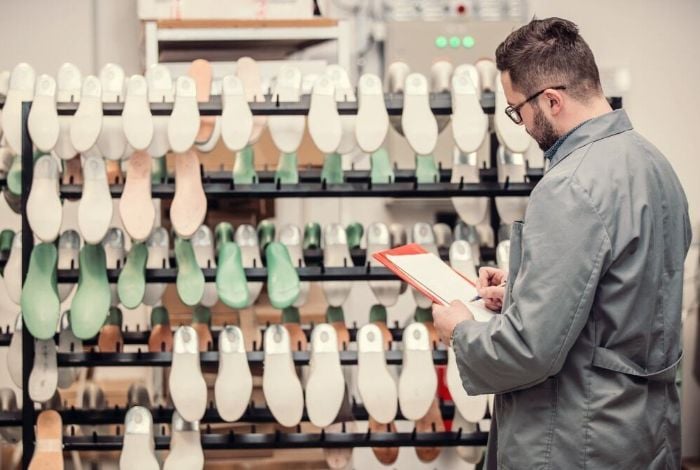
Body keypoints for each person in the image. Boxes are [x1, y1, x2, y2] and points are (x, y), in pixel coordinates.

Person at [433, 17, 691, 469]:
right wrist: (521, 284)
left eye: (517, 111)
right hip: (642, 429)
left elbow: (530, 351)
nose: (522, 124)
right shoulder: (653, 163)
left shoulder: (570, 184)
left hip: (579, 437)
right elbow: (625, 286)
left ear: (551, 100)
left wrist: (460, 330)